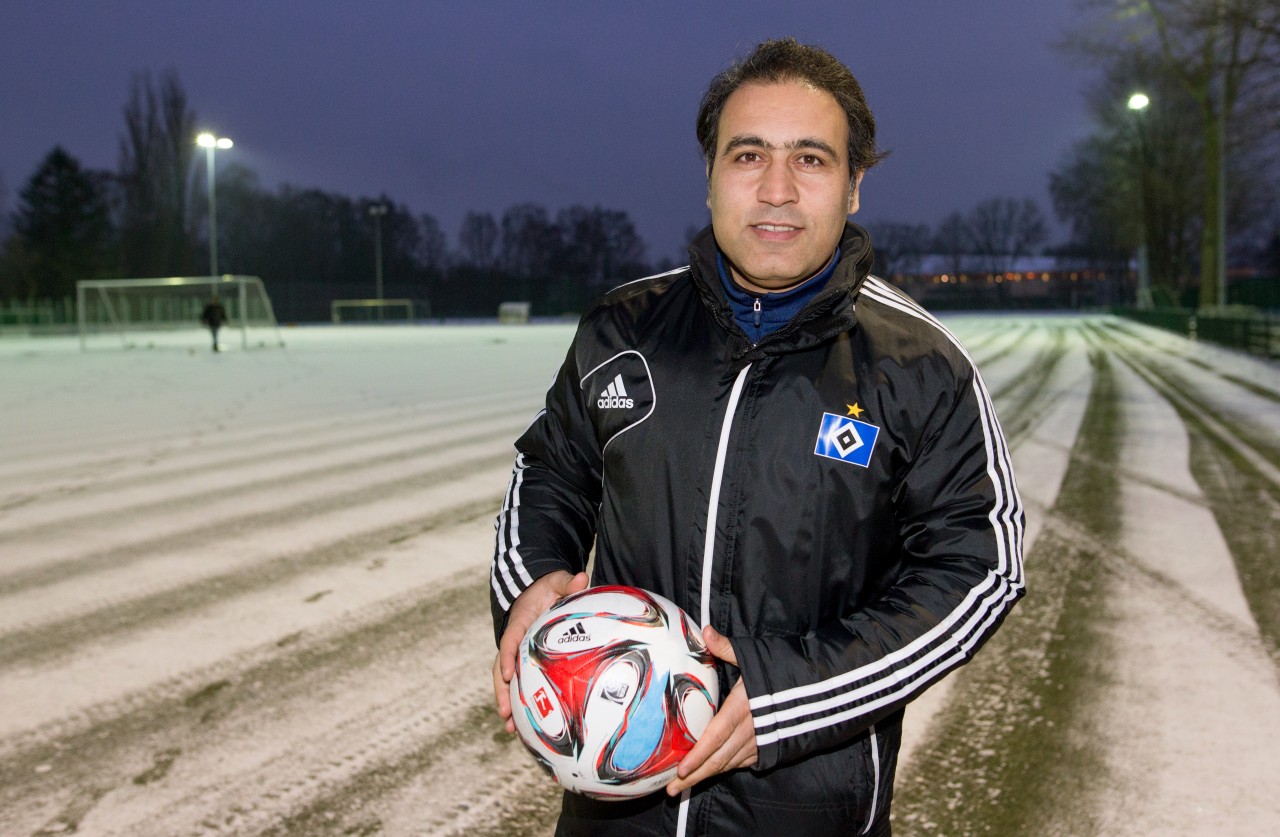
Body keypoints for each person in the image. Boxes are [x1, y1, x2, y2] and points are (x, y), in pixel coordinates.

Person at [490, 38, 1024, 836]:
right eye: (749, 155)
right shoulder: (622, 331)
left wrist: (787, 697)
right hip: (614, 808)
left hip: (804, 805)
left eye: (810, 159)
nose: (776, 190)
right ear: (709, 174)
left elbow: (978, 568)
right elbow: (552, 472)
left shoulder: (920, 366)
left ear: (853, 186)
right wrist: (533, 579)